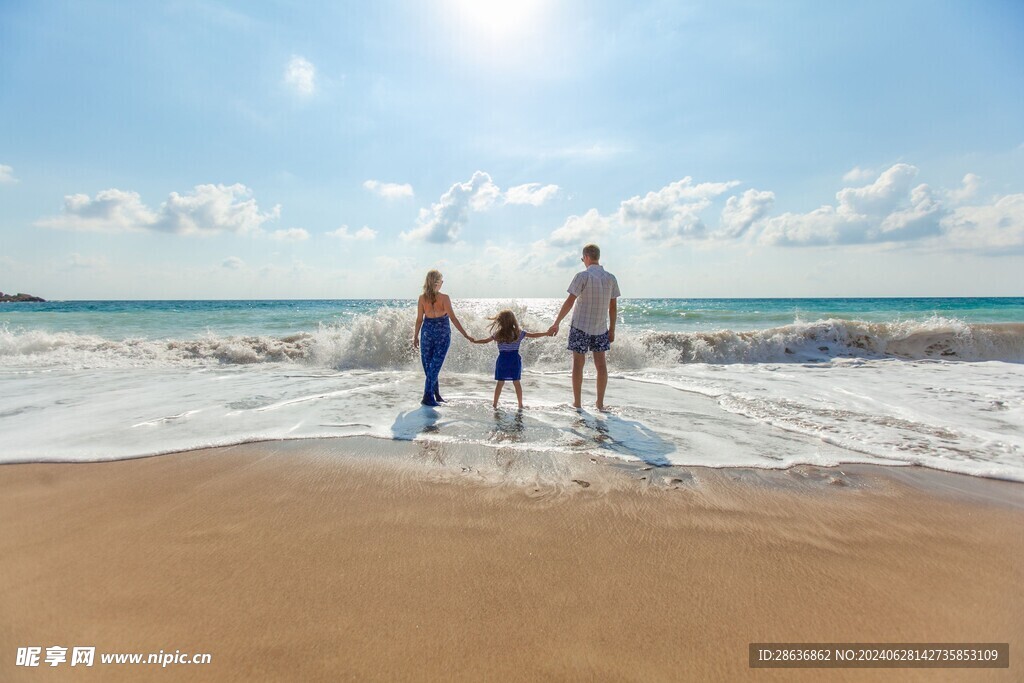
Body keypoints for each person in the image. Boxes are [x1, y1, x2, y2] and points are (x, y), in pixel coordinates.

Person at [547, 244, 620, 410]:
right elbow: (613, 307)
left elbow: (570, 301)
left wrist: (556, 322)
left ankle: (578, 403)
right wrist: (613, 329)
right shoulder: (611, 278)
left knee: (578, 365)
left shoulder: (582, 276)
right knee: (601, 366)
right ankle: (600, 404)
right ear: (597, 257)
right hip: (601, 328)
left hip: (580, 326)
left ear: (586, 257)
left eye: (582, 259)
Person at [413, 270, 472, 406]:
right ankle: (427, 397)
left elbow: (419, 320)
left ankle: (436, 394)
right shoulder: (444, 298)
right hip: (441, 334)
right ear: (437, 282)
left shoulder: (422, 298)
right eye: (441, 280)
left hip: (427, 332)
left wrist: (415, 336)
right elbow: (453, 318)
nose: (442, 283)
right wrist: (465, 334)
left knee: (431, 366)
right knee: (433, 366)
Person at [473, 309, 549, 409]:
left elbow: (485, 341)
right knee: (516, 382)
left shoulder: (498, 334)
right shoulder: (518, 333)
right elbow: (533, 335)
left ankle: (495, 404)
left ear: (500, 321)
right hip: (514, 360)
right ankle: (520, 404)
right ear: (513, 320)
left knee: (500, 383)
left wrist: (474, 341)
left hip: (502, 360)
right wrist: (546, 333)